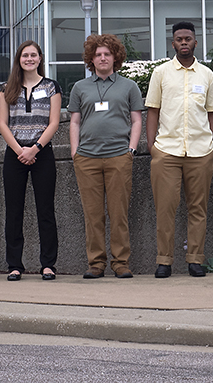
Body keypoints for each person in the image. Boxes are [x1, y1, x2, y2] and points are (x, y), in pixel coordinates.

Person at [145, 21, 213, 278]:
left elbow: (212, 113)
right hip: (166, 151)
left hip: (201, 151)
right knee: (165, 208)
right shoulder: (161, 73)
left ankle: (195, 260)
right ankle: (164, 261)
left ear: (195, 42)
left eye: (188, 38)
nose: (184, 42)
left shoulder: (207, 75)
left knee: (198, 208)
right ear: (173, 43)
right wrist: (152, 146)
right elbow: (152, 110)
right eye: (179, 39)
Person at [69, 34, 143, 279]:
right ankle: (96, 263)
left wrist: (131, 149)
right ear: (91, 59)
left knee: (118, 212)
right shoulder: (80, 88)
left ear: (115, 57)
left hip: (119, 157)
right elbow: (75, 122)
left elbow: (136, 120)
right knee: (93, 215)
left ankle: (121, 262)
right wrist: (75, 152)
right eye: (98, 54)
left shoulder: (129, 86)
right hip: (87, 158)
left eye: (107, 54)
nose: (102, 58)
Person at [0, 41, 61, 281]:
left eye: (33, 55)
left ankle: (48, 265)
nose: (29, 59)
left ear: (40, 58)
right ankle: (14, 265)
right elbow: (2, 123)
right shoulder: (7, 88)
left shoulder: (51, 86)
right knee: (13, 211)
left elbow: (54, 122)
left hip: (42, 152)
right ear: (19, 59)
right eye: (25, 55)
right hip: (14, 155)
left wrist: (34, 149)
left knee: (45, 210)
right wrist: (19, 150)